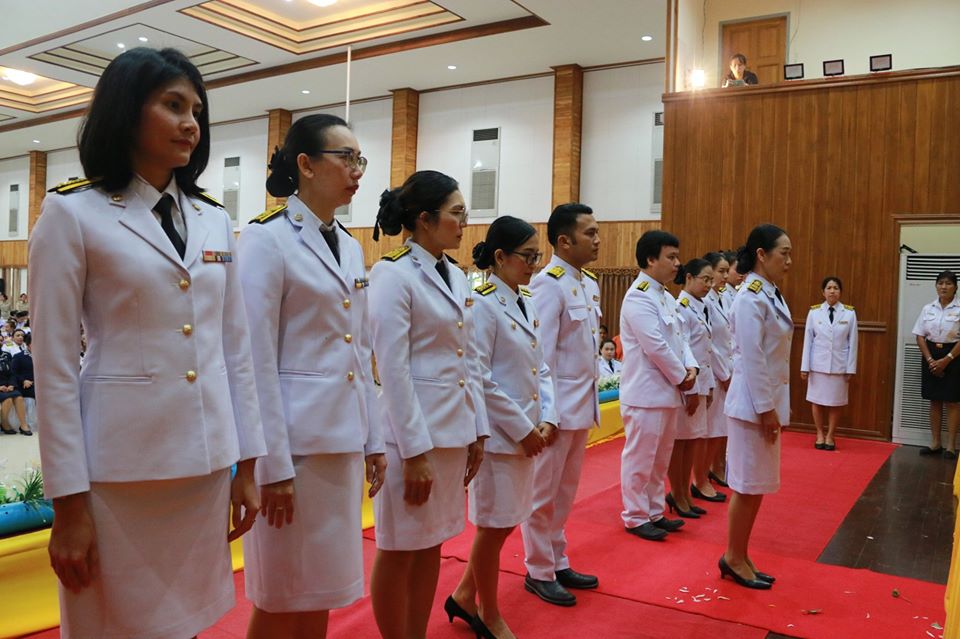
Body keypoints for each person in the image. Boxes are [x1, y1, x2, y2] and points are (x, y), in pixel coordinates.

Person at [28, 47, 265, 638]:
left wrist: (247, 464)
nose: (191, 123)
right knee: (115, 624)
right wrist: (68, 503)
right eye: (173, 106)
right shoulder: (72, 212)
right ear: (128, 110)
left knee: (189, 621)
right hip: (118, 474)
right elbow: (53, 368)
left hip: (203, 464)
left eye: (197, 112)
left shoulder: (212, 218)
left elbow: (235, 350)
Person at [238, 114, 386, 639]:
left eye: (359, 159)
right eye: (346, 158)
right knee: (281, 594)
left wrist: (373, 439)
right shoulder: (266, 240)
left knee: (322, 590)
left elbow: (359, 351)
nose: (357, 170)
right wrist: (271, 466)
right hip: (293, 451)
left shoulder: (349, 244)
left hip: (339, 445)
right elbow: (254, 358)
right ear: (305, 164)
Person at [367, 170, 487, 639]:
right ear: (424, 219)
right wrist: (414, 451)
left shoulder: (456, 275)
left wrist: (477, 429)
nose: (464, 223)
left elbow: (469, 359)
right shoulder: (392, 274)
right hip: (411, 437)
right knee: (399, 548)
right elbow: (393, 368)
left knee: (431, 543)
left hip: (453, 431)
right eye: (456, 213)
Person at [447, 216, 556, 639]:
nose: (533, 264)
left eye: (536, 256)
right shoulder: (483, 303)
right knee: (493, 528)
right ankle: (488, 614)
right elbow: (480, 377)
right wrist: (523, 428)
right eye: (527, 256)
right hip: (499, 435)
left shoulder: (525, 299)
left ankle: (463, 594)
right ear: (500, 256)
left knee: (507, 522)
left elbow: (541, 368)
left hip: (529, 430)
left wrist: (548, 418)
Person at [521, 203, 601, 606]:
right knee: (542, 494)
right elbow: (541, 356)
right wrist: (546, 413)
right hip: (557, 410)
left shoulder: (588, 284)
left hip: (580, 405)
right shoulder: (548, 284)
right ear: (565, 241)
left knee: (565, 492)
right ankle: (538, 569)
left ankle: (557, 558)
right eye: (590, 233)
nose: (597, 240)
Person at [721, 224, 793, 590]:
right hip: (751, 405)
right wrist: (766, 410)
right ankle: (733, 557)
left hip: (765, 403)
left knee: (757, 485)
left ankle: (741, 554)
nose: (789, 261)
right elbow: (752, 359)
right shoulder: (750, 297)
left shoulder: (770, 293)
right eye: (784, 253)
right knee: (747, 486)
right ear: (762, 255)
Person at [619, 230, 697, 542]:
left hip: (667, 391)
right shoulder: (638, 296)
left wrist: (691, 366)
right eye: (671, 257)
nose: (678, 263)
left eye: (677, 257)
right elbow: (655, 345)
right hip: (646, 392)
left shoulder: (665, 296)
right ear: (651, 259)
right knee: (640, 458)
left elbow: (681, 339)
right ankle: (635, 515)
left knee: (659, 458)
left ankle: (653, 511)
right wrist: (682, 376)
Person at [668, 258, 717, 518]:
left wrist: (708, 386)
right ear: (689, 278)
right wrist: (692, 389)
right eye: (704, 279)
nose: (709, 285)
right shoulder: (682, 307)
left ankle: (685, 492)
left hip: (701, 383)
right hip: (688, 385)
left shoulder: (701, 306)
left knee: (693, 440)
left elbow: (706, 351)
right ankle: (677, 492)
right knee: (680, 442)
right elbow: (683, 351)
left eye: (711, 280)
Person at [800, 277, 858, 451]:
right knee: (816, 401)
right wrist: (804, 367)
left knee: (836, 402)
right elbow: (808, 341)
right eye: (829, 288)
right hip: (818, 365)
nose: (832, 291)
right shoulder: (814, 312)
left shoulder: (849, 313)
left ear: (840, 292)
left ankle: (831, 435)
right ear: (823, 292)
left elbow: (853, 343)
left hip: (839, 366)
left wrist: (850, 368)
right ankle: (819, 433)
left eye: (836, 288)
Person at [694, 252, 734, 500]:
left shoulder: (722, 298)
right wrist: (724, 373)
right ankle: (700, 479)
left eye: (727, 271)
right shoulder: (705, 301)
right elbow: (710, 345)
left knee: (719, 429)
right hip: (714, 372)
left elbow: (728, 338)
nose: (725, 276)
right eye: (721, 271)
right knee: (708, 432)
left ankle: (711, 472)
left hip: (725, 370)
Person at [912, 270, 960, 458]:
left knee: (953, 401)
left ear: (955, 287)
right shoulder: (928, 308)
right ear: (936, 286)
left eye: (948, 283)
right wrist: (931, 360)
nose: (944, 287)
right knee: (934, 400)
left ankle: (951, 446)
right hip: (931, 355)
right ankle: (935, 443)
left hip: (953, 357)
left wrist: (947, 359)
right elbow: (919, 336)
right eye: (940, 283)